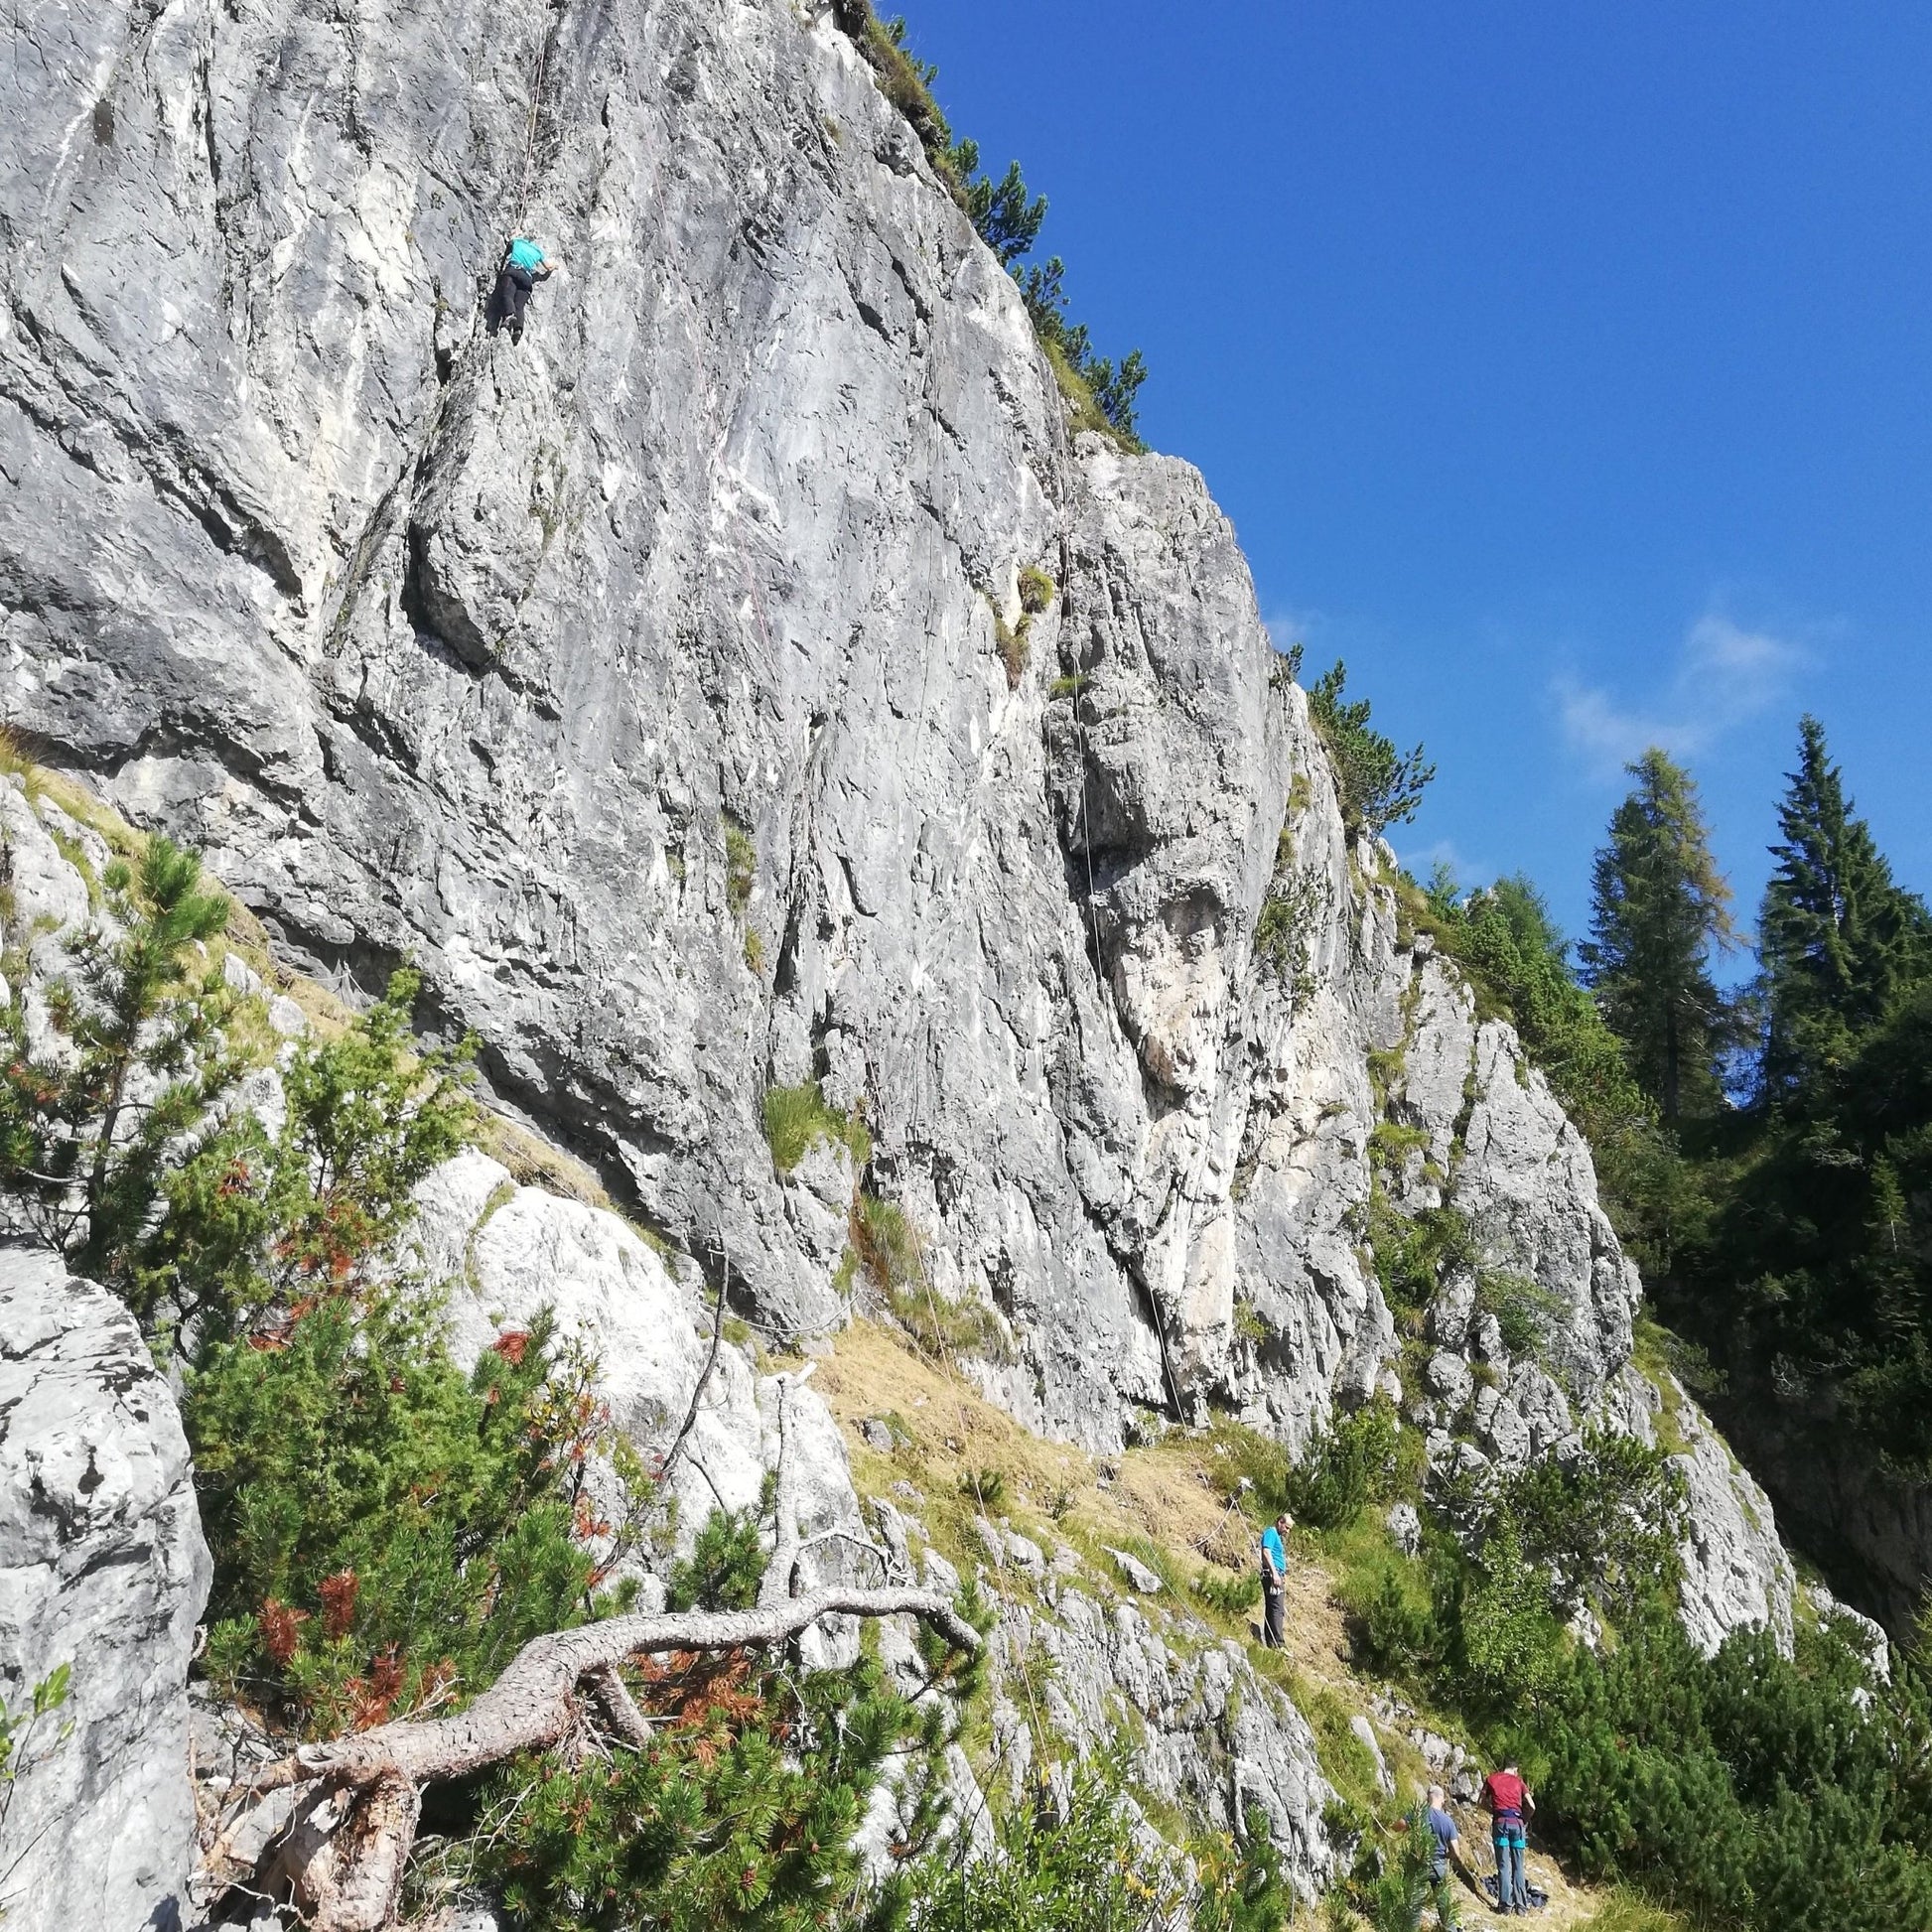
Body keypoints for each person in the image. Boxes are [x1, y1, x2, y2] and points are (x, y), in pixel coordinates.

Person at [1481, 1760, 1534, 1915]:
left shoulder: (1491, 1779)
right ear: (1515, 1769)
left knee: (1504, 1866)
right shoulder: (1519, 1782)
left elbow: (1480, 1802)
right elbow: (1532, 1805)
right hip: (1517, 1825)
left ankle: (1506, 1906)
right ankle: (1522, 1908)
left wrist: (1493, 1811)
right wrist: (1523, 1820)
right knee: (1518, 1866)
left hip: (1501, 1824)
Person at [488, 235, 557, 345]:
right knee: (519, 306)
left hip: (513, 271)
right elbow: (548, 267)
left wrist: (515, 233)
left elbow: (511, 239)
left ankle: (509, 315)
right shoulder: (538, 251)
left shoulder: (518, 241)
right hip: (527, 278)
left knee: (507, 295)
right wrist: (555, 265)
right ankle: (518, 330)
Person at [1423, 1786, 1461, 1929]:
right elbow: (1456, 1852)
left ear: (1428, 1797)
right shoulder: (1447, 1821)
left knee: (1412, 1904)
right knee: (1445, 1907)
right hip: (1439, 1865)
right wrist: (1446, 1855)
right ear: (1440, 1798)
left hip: (1419, 1863)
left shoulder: (1418, 1814)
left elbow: (1398, 1826)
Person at [1259, 1511, 1291, 1648]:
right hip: (1273, 1575)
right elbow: (1266, 1552)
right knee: (1276, 1608)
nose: (1287, 1531)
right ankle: (1278, 1643)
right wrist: (1274, 1574)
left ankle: (1271, 1642)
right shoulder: (1271, 1532)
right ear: (1280, 1522)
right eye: (1286, 1527)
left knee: (1273, 1607)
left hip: (1276, 1574)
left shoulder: (1275, 1535)